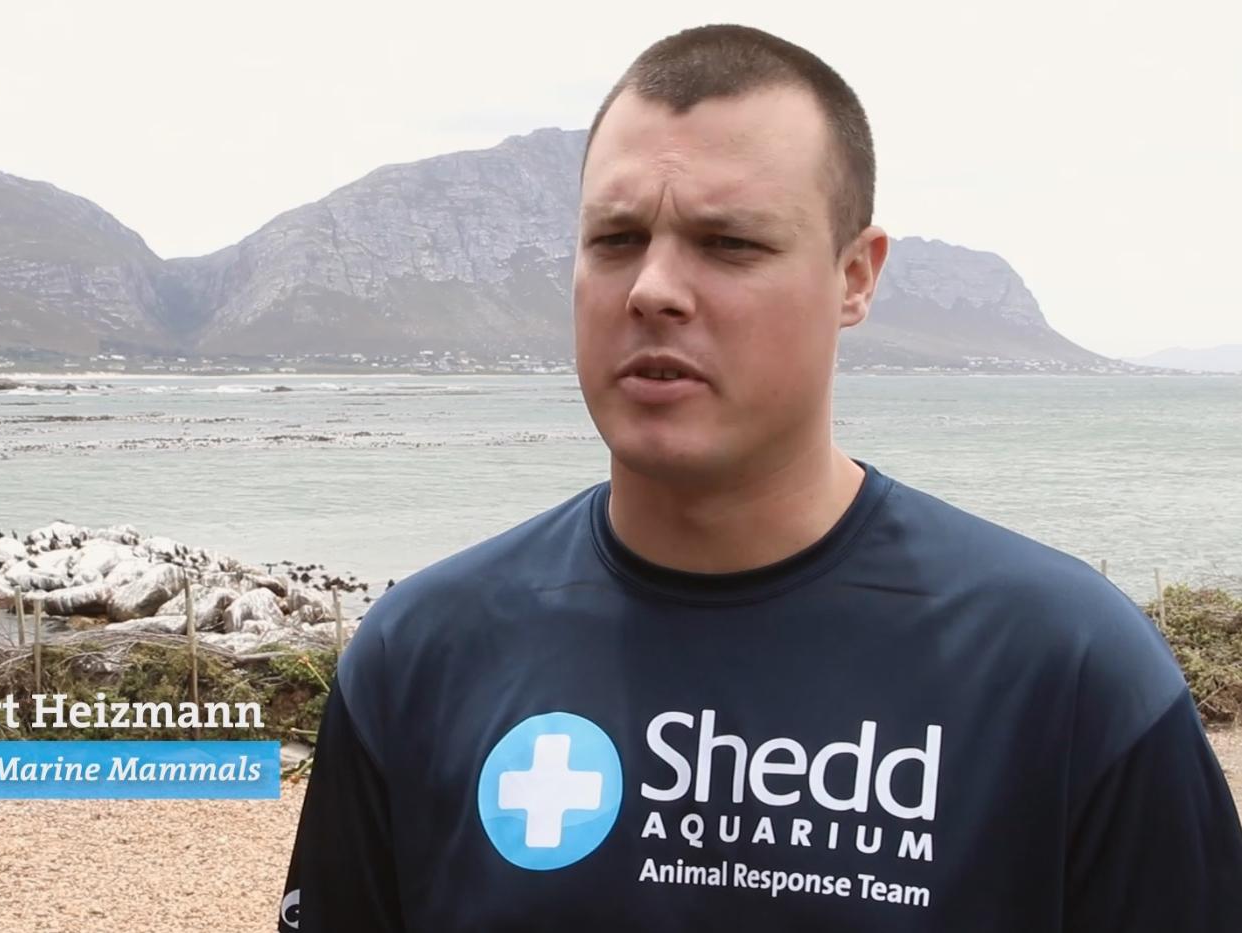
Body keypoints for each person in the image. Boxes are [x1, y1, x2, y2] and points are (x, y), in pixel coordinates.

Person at [278, 23, 1242, 932]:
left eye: (729, 242)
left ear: (854, 277)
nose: (652, 288)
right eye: (615, 239)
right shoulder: (420, 657)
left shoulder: (1064, 669)